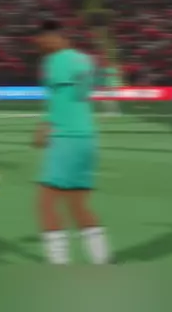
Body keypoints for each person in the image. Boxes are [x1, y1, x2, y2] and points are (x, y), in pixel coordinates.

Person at [32, 19, 111, 265]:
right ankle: (104, 261)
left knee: (45, 204)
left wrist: (45, 125)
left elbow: (57, 98)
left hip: (66, 137)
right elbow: (82, 92)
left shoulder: (54, 61)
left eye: (44, 39)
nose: (41, 44)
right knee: (78, 206)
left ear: (58, 37)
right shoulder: (85, 59)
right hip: (87, 136)